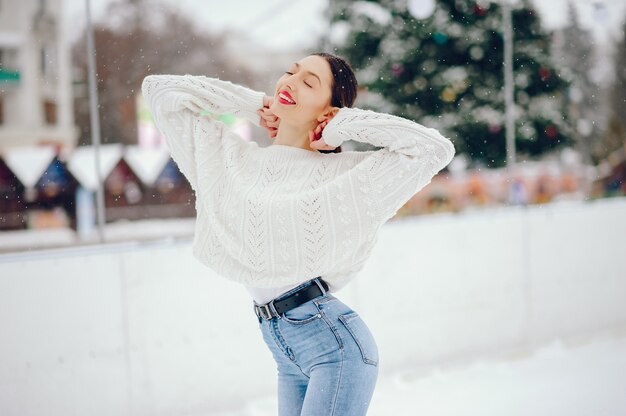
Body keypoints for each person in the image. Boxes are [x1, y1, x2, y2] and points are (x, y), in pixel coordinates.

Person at [141, 52, 455, 416]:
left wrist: (340, 125)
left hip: (334, 346)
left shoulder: (347, 176)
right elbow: (160, 91)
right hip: (283, 350)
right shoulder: (228, 161)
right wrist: (255, 105)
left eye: (309, 82)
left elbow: (434, 149)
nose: (290, 81)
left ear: (328, 109)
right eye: (290, 72)